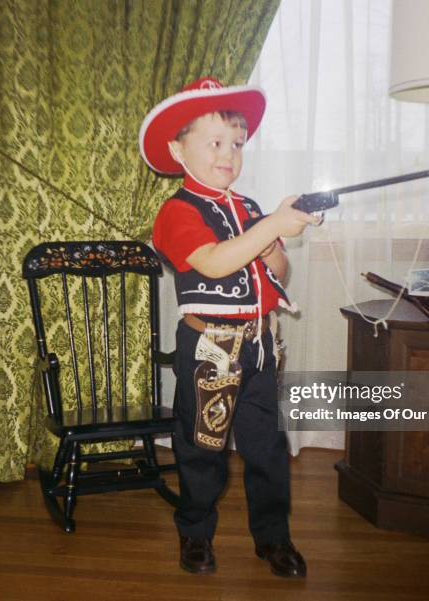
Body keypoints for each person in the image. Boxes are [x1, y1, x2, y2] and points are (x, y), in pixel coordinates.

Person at [139, 77, 319, 578]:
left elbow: (279, 272)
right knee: (201, 449)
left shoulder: (250, 209)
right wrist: (271, 227)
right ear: (178, 149)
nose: (228, 154)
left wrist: (274, 240)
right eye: (214, 142)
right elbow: (214, 263)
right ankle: (195, 533)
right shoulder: (176, 211)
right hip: (209, 348)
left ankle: (273, 539)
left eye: (236, 144)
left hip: (259, 345)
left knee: (267, 448)